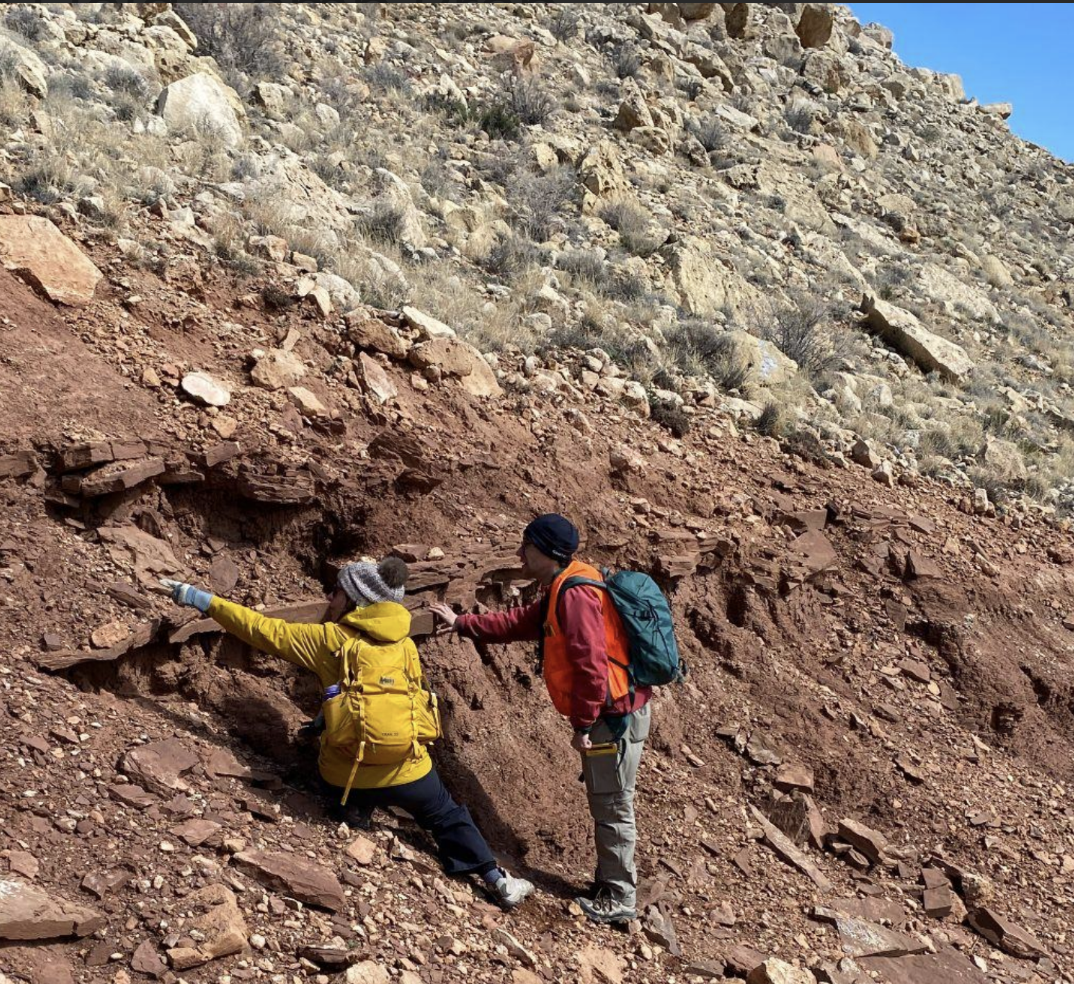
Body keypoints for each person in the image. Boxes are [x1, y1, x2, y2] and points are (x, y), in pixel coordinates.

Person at [161, 557, 533, 910]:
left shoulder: (329, 640)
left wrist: (199, 598)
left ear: (356, 600)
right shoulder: (404, 644)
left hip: (345, 775)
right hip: (407, 772)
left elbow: (259, 629)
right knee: (446, 814)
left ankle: (354, 812)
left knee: (329, 758)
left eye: (336, 591)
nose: (329, 597)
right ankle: (496, 879)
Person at [431, 514, 651, 925]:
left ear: (547, 552)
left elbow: (591, 667)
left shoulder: (574, 594)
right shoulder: (565, 585)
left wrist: (583, 724)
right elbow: (522, 622)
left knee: (613, 806)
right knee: (608, 801)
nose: (519, 553)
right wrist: (464, 623)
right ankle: (610, 884)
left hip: (612, 717)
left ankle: (619, 897)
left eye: (526, 546)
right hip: (615, 711)